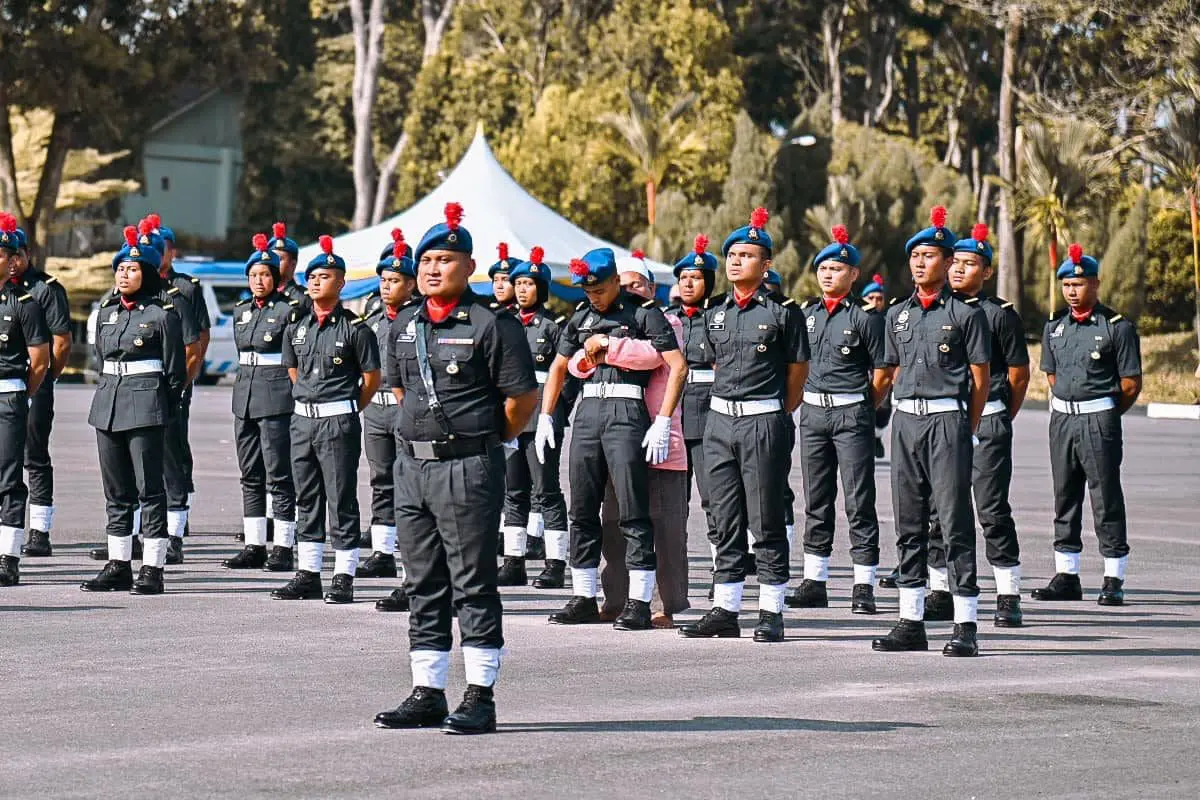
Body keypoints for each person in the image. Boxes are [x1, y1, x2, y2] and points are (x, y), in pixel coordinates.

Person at [374, 202, 539, 735]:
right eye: (426, 261)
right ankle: (428, 691)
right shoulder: (404, 326)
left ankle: (481, 694)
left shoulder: (494, 325)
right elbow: (403, 393)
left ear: (468, 267)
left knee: (473, 582)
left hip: (467, 466)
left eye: (445, 260)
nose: (432, 269)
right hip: (412, 470)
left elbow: (520, 401)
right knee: (422, 581)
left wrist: (482, 442)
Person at [537, 247, 686, 631]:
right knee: (582, 510)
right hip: (588, 414)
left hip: (627, 412)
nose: (593, 297)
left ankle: (638, 601)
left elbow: (676, 366)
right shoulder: (581, 316)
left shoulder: (641, 313)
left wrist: (664, 420)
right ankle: (584, 596)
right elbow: (558, 366)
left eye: (599, 289)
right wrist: (546, 416)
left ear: (615, 281)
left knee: (633, 511)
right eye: (587, 291)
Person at [678, 207, 809, 643]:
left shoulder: (784, 313)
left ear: (766, 265)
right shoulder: (716, 312)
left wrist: (773, 413)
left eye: (747, 255)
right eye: (732, 254)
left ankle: (771, 610)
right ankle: (726, 607)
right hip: (718, 422)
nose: (736, 261)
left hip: (761, 421)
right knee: (724, 517)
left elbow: (797, 372)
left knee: (765, 518)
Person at [870, 206, 990, 657]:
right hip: (905, 420)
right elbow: (885, 372)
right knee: (908, 521)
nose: (921, 263)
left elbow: (981, 379)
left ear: (947, 262)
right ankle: (911, 619)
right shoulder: (898, 314)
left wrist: (969, 429)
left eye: (931, 256)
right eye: (915, 256)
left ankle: (965, 623)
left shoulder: (965, 314)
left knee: (955, 522)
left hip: (946, 421)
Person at [926, 224, 1030, 627]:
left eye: (971, 264)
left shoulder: (999, 315)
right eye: (956, 262)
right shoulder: (937, 310)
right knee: (939, 510)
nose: (959, 270)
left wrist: (999, 414)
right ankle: (939, 590)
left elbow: (1019, 374)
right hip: (945, 422)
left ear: (986, 272)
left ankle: (1008, 594)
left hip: (987, 422)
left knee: (990, 509)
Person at [1031, 243, 1141, 607]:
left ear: (1095, 283)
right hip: (1062, 418)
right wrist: (1070, 407)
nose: (1072, 291)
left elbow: (1129, 384)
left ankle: (1113, 576)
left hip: (1099, 418)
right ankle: (1067, 574)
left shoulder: (1116, 328)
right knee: (1065, 496)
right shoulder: (1055, 326)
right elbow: (1050, 374)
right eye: (1067, 285)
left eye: (1079, 284)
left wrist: (1104, 412)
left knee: (1105, 497)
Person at [273, 235, 380, 603]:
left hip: (338, 421)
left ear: (341, 283)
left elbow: (371, 379)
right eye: (313, 276)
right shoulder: (297, 327)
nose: (317, 281)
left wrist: (345, 407)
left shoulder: (355, 329)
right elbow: (292, 370)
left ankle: (344, 574)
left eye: (326, 276)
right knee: (307, 497)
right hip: (303, 421)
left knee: (341, 498)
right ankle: (308, 572)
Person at [785, 225, 887, 615]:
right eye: (823, 268)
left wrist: (863, 405)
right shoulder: (806, 313)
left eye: (838, 269)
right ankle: (815, 579)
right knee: (817, 498)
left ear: (854, 275)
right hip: (812, 412)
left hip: (851, 412)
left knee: (859, 499)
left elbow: (882, 372)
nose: (829, 274)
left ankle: (864, 584)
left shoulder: (865, 318)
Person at [80, 225, 186, 594]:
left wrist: (160, 407)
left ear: (149, 275)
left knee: (149, 490)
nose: (125, 275)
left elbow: (176, 373)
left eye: (133, 269)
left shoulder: (163, 315)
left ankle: (153, 568)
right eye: (121, 268)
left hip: (146, 406)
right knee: (116, 491)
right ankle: (118, 563)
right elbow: (101, 358)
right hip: (108, 404)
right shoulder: (107, 313)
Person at [497, 246, 574, 589]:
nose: (523, 289)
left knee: (547, 490)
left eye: (530, 283)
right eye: (520, 283)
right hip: (512, 416)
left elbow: (568, 377)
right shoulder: (504, 324)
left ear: (541, 289)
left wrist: (555, 413)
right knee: (514, 490)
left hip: (543, 416)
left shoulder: (555, 326)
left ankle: (555, 563)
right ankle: (513, 560)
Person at [223, 233, 300, 571]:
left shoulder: (288, 311)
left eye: (265, 275)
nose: (259, 280)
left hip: (277, 398)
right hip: (245, 399)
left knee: (279, 474)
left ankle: (283, 545)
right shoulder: (241, 311)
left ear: (275, 277)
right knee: (250, 473)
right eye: (254, 275)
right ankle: (255, 543)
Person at [0, 218, 69, 560]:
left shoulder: (44, 289)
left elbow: (60, 342)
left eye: (15, 254)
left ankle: (39, 529)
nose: (11, 262)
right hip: (13, 384)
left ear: (25, 254)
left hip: (31, 381)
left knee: (34, 455)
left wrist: (43, 381)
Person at [144, 214, 209, 564]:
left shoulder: (182, 291)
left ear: (170, 252)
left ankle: (174, 531)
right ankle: (138, 530)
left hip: (172, 386)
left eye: (161, 249)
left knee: (172, 456)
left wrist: (182, 383)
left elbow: (197, 341)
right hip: (137, 390)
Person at [358, 230, 418, 587]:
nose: (385, 287)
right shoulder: (372, 316)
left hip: (406, 408)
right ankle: (382, 553)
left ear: (410, 284)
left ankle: (411, 554)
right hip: (376, 410)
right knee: (380, 480)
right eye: (382, 280)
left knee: (408, 482)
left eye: (394, 280)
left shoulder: (417, 318)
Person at [666, 236, 720, 595]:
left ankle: (723, 570)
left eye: (696, 277)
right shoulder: (665, 320)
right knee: (672, 503)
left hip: (709, 416)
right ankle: (674, 575)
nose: (688, 283)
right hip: (672, 419)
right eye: (683, 277)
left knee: (714, 500)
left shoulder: (719, 318)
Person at [0, 213, 50, 586]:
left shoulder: (24, 303)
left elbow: (40, 360)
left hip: (8, 398)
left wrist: (21, 393)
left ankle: (8, 556)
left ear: (12, 259)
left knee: (8, 479)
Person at [269, 222, 312, 311]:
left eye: (279, 259)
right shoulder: (261, 295)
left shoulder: (304, 299)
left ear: (293, 264)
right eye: (271, 259)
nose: (274, 264)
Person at [489, 242, 519, 313]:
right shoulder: (485, 310)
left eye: (505, 280)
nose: (499, 286)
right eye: (495, 280)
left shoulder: (526, 314)